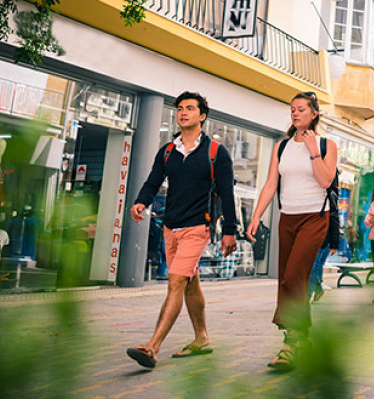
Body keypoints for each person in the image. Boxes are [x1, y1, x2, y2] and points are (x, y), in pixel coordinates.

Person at [126, 91, 237, 368]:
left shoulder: (215, 152)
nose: (183, 112)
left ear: (202, 116)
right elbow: (153, 181)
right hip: (170, 227)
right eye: (179, 109)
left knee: (175, 282)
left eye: (189, 108)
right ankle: (201, 337)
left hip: (197, 227)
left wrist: (230, 230)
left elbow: (227, 193)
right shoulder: (167, 151)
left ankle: (152, 347)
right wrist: (141, 201)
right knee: (189, 281)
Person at [247, 91, 338, 372]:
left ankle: (291, 342)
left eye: (301, 109)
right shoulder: (281, 146)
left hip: (314, 217)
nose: (295, 113)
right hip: (287, 218)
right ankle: (302, 337)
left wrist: (313, 150)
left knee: (294, 276)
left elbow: (325, 181)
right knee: (286, 279)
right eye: (292, 109)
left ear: (314, 113)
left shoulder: (327, 144)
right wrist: (256, 215)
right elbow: (271, 183)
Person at [309, 188, 340, 303]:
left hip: (323, 238)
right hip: (311, 237)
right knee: (315, 267)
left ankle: (307, 297)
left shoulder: (329, 197)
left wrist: (334, 243)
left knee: (313, 267)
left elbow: (334, 220)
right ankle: (318, 289)